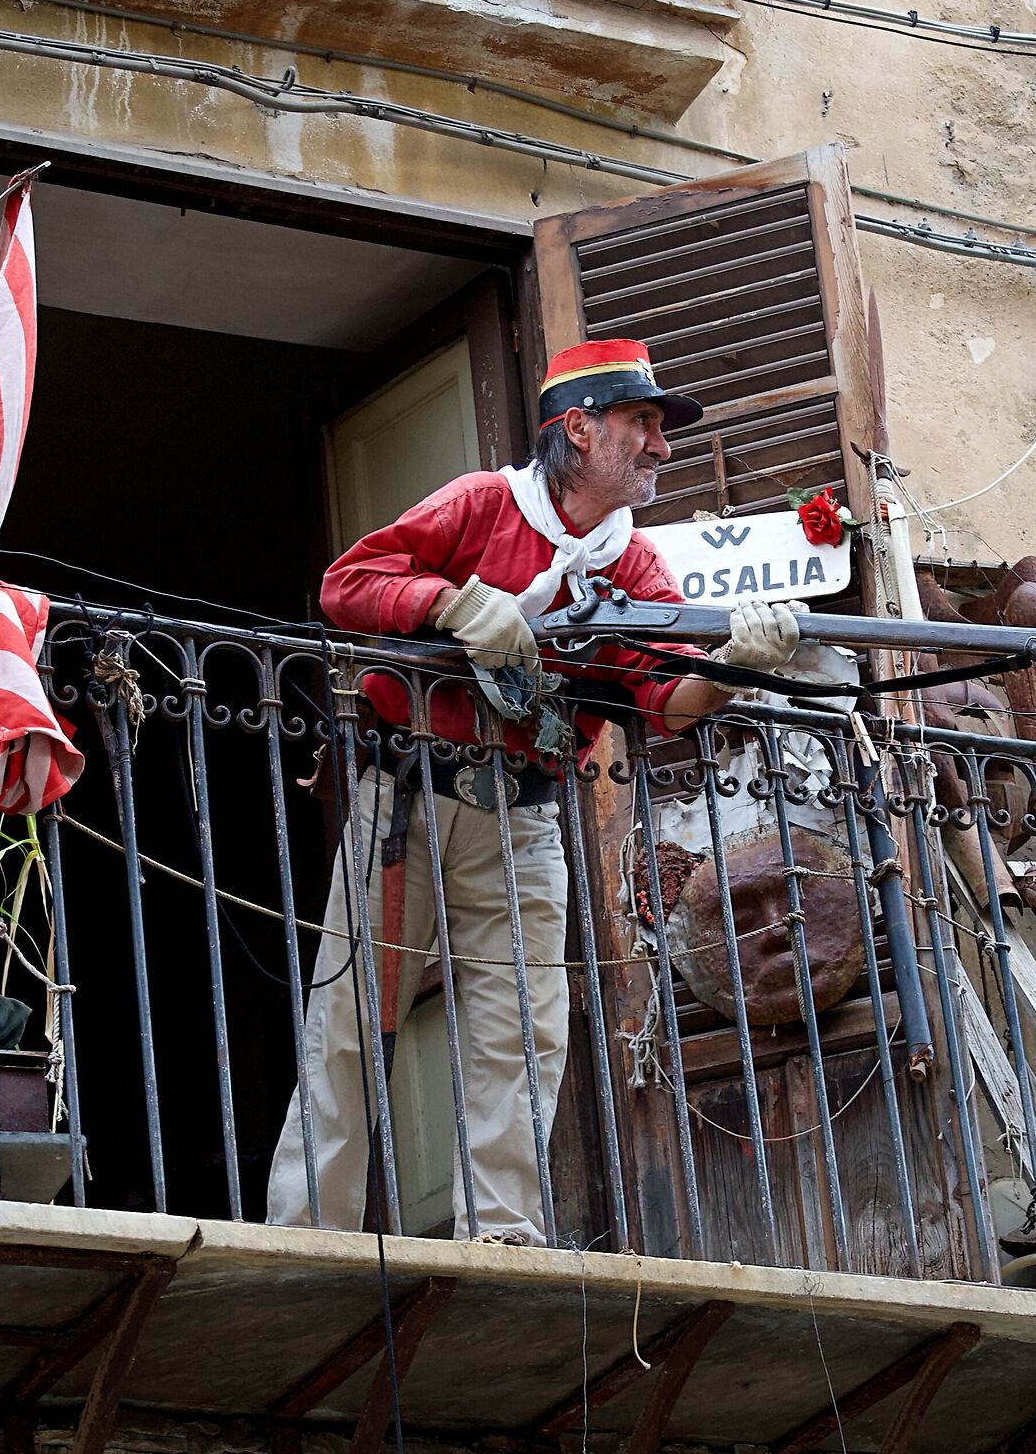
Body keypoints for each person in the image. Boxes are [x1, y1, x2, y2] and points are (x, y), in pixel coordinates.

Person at [268, 338, 802, 1243]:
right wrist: (449, 604)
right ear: (580, 430)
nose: (660, 448)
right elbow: (347, 584)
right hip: (409, 798)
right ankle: (308, 1230)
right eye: (642, 425)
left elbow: (666, 701)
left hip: (525, 813)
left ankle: (502, 1230)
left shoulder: (633, 569)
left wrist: (735, 668)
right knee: (354, 1021)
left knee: (523, 1030)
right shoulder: (483, 504)